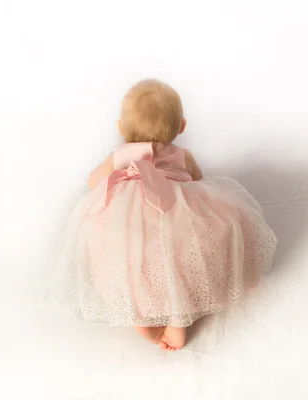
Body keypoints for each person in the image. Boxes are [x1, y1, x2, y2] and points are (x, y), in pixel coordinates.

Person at [41, 79, 277, 351]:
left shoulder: (119, 155)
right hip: (173, 215)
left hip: (129, 227)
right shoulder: (182, 155)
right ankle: (178, 320)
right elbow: (196, 180)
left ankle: (138, 311)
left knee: (118, 251)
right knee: (187, 255)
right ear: (181, 126)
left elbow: (94, 182)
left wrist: (120, 178)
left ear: (121, 128)